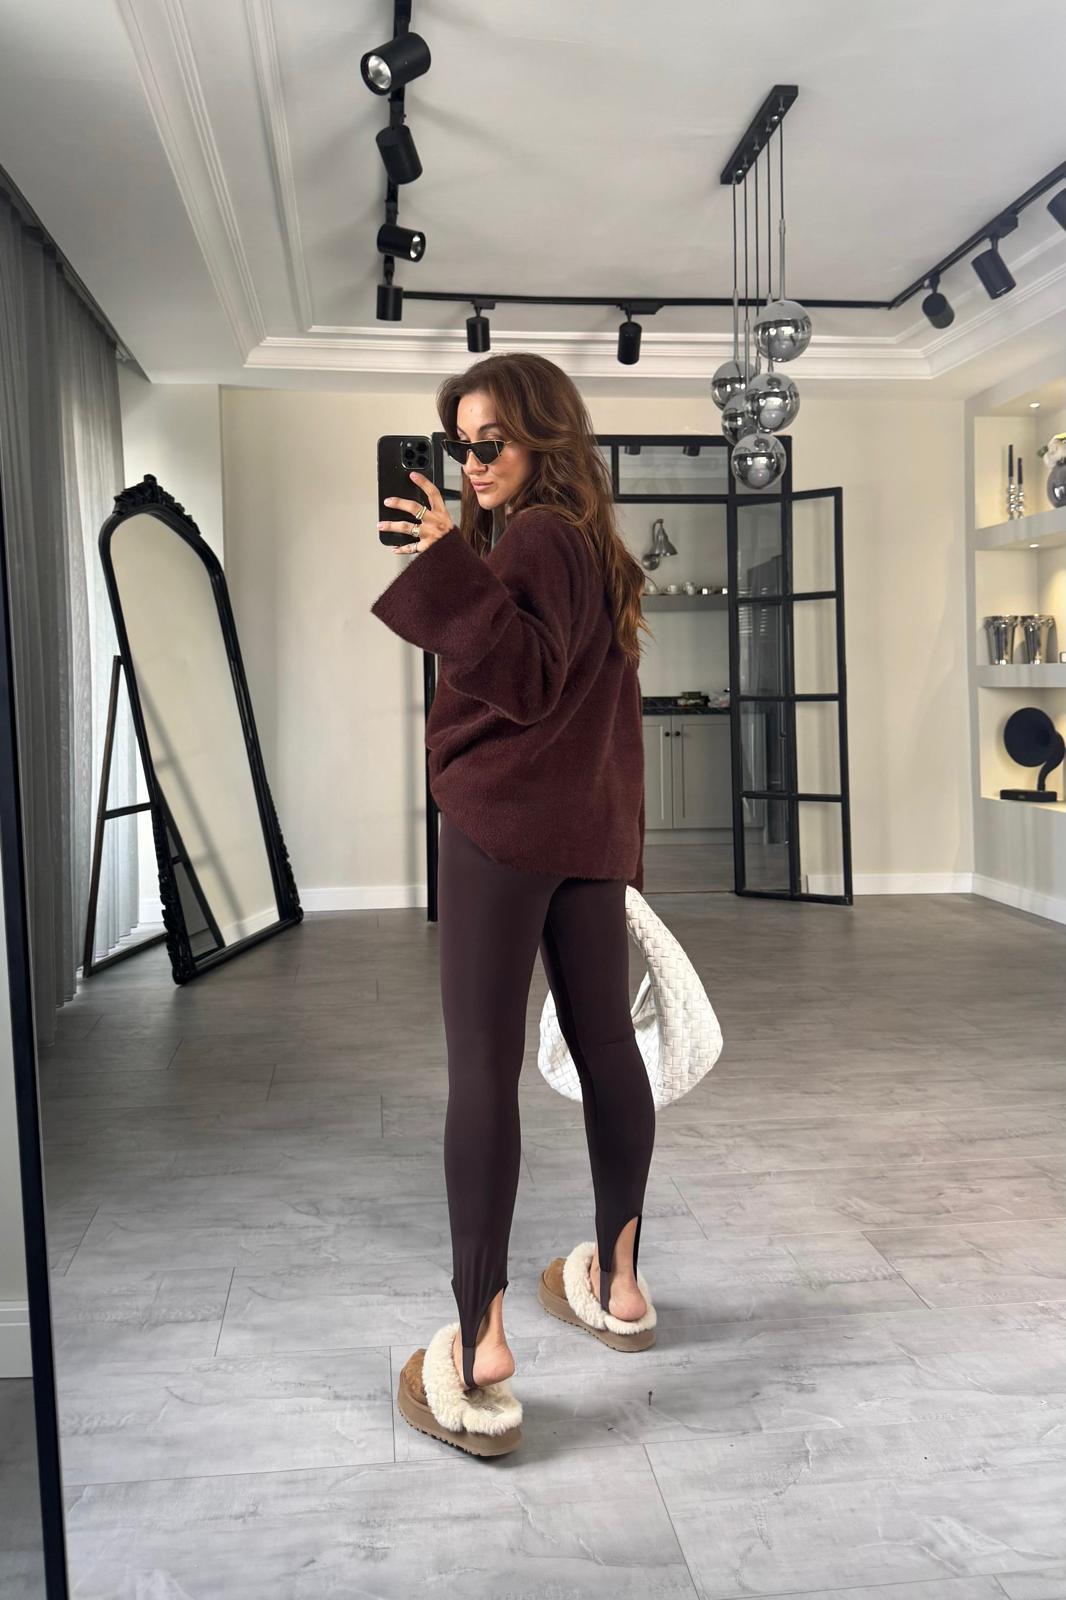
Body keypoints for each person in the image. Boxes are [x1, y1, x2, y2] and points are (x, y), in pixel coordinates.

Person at [371, 352, 656, 1451]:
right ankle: (621, 1284)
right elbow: (588, 703)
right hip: (586, 831)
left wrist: (446, 557)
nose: (472, 462)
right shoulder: (593, 545)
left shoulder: (534, 536)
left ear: (545, 435)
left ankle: (480, 1338)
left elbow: (527, 681)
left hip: (506, 826)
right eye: (461, 445)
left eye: (491, 441)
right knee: (605, 1047)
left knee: (483, 1066)